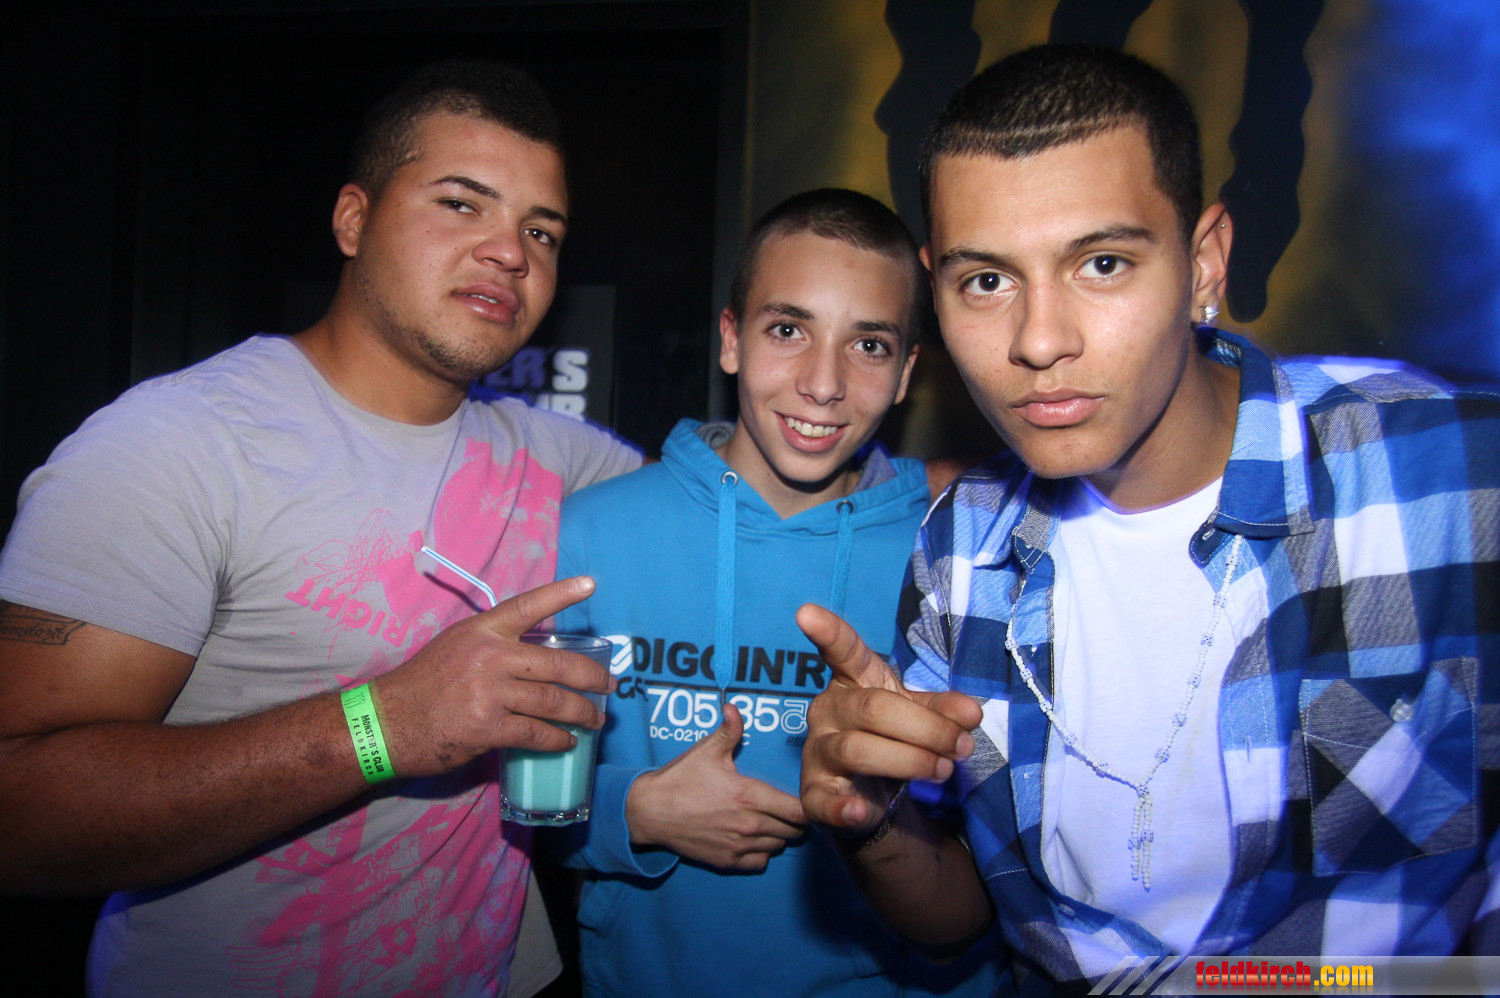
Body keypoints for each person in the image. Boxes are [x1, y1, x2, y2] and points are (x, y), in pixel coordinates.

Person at [796, 42, 1500, 994]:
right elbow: (963, 919)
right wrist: (873, 817)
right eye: (987, 281)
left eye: (1102, 263)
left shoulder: (1447, 474)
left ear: (1204, 262)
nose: (1040, 340)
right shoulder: (961, 548)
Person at [0, 60, 641, 997]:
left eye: (540, 231)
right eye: (462, 203)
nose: (511, 251)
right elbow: (18, 812)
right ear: (353, 220)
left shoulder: (556, 458)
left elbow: (734, 493)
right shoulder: (175, 444)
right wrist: (386, 725)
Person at [549, 189, 997, 997]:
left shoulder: (956, 555)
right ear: (731, 339)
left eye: (868, 344)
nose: (823, 383)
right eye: (788, 330)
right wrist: (635, 811)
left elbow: (1001, 857)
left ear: (906, 374)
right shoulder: (590, 533)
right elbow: (521, 808)